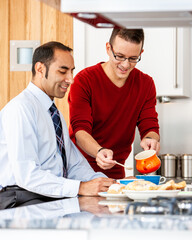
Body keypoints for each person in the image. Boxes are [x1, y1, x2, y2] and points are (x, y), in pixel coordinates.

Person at [0, 41, 114, 209]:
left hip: (48, 196)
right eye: (63, 71)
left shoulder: (54, 113)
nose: (71, 79)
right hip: (19, 200)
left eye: (71, 71)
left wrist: (108, 184)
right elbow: (27, 175)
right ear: (40, 69)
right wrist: (81, 187)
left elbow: (74, 165)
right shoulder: (21, 108)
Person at [68, 28, 160, 179]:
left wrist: (151, 139)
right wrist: (99, 151)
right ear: (108, 48)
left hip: (116, 171)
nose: (125, 64)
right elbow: (80, 131)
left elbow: (149, 125)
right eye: (120, 56)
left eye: (133, 58)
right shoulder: (84, 80)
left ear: (140, 54)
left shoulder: (145, 83)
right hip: (79, 171)